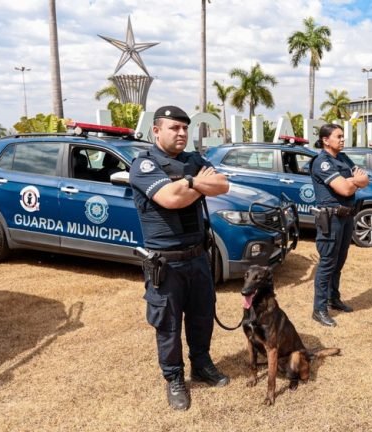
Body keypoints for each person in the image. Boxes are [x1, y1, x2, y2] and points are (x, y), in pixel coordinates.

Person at [129, 105, 230, 411]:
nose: (182, 133)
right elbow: (170, 199)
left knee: (201, 316)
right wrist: (198, 182)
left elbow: (223, 184)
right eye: (174, 128)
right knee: (168, 325)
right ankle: (174, 379)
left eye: (185, 128)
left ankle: (202, 364)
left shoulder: (192, 160)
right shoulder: (144, 165)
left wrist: (188, 182)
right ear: (156, 131)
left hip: (198, 256)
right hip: (166, 262)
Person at [310, 124, 369, 327]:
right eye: (339, 136)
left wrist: (354, 180)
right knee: (327, 263)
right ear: (326, 140)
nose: (343, 140)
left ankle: (333, 298)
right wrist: (355, 181)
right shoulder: (322, 162)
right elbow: (344, 189)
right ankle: (319, 309)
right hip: (331, 218)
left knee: (339, 261)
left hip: (346, 217)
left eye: (343, 136)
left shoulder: (342, 158)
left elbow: (365, 179)